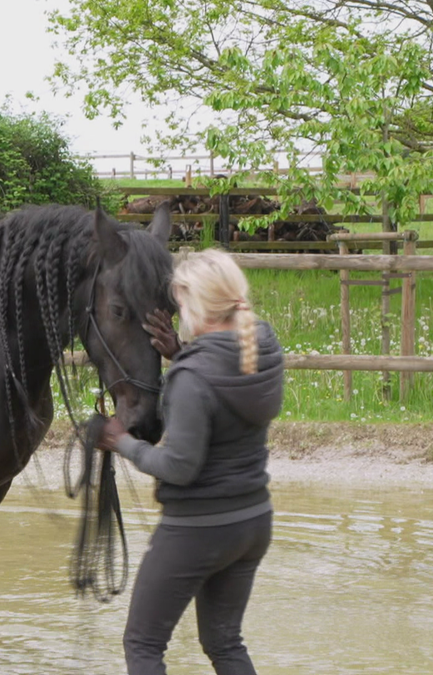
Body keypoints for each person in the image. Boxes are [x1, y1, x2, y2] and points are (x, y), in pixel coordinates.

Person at [97, 248, 285, 675]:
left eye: (181, 304)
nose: (177, 312)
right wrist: (181, 353)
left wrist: (120, 441)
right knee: (225, 642)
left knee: (143, 644)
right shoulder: (265, 346)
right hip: (253, 521)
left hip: (198, 529)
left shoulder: (191, 379)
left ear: (198, 306)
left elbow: (180, 466)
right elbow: (223, 394)